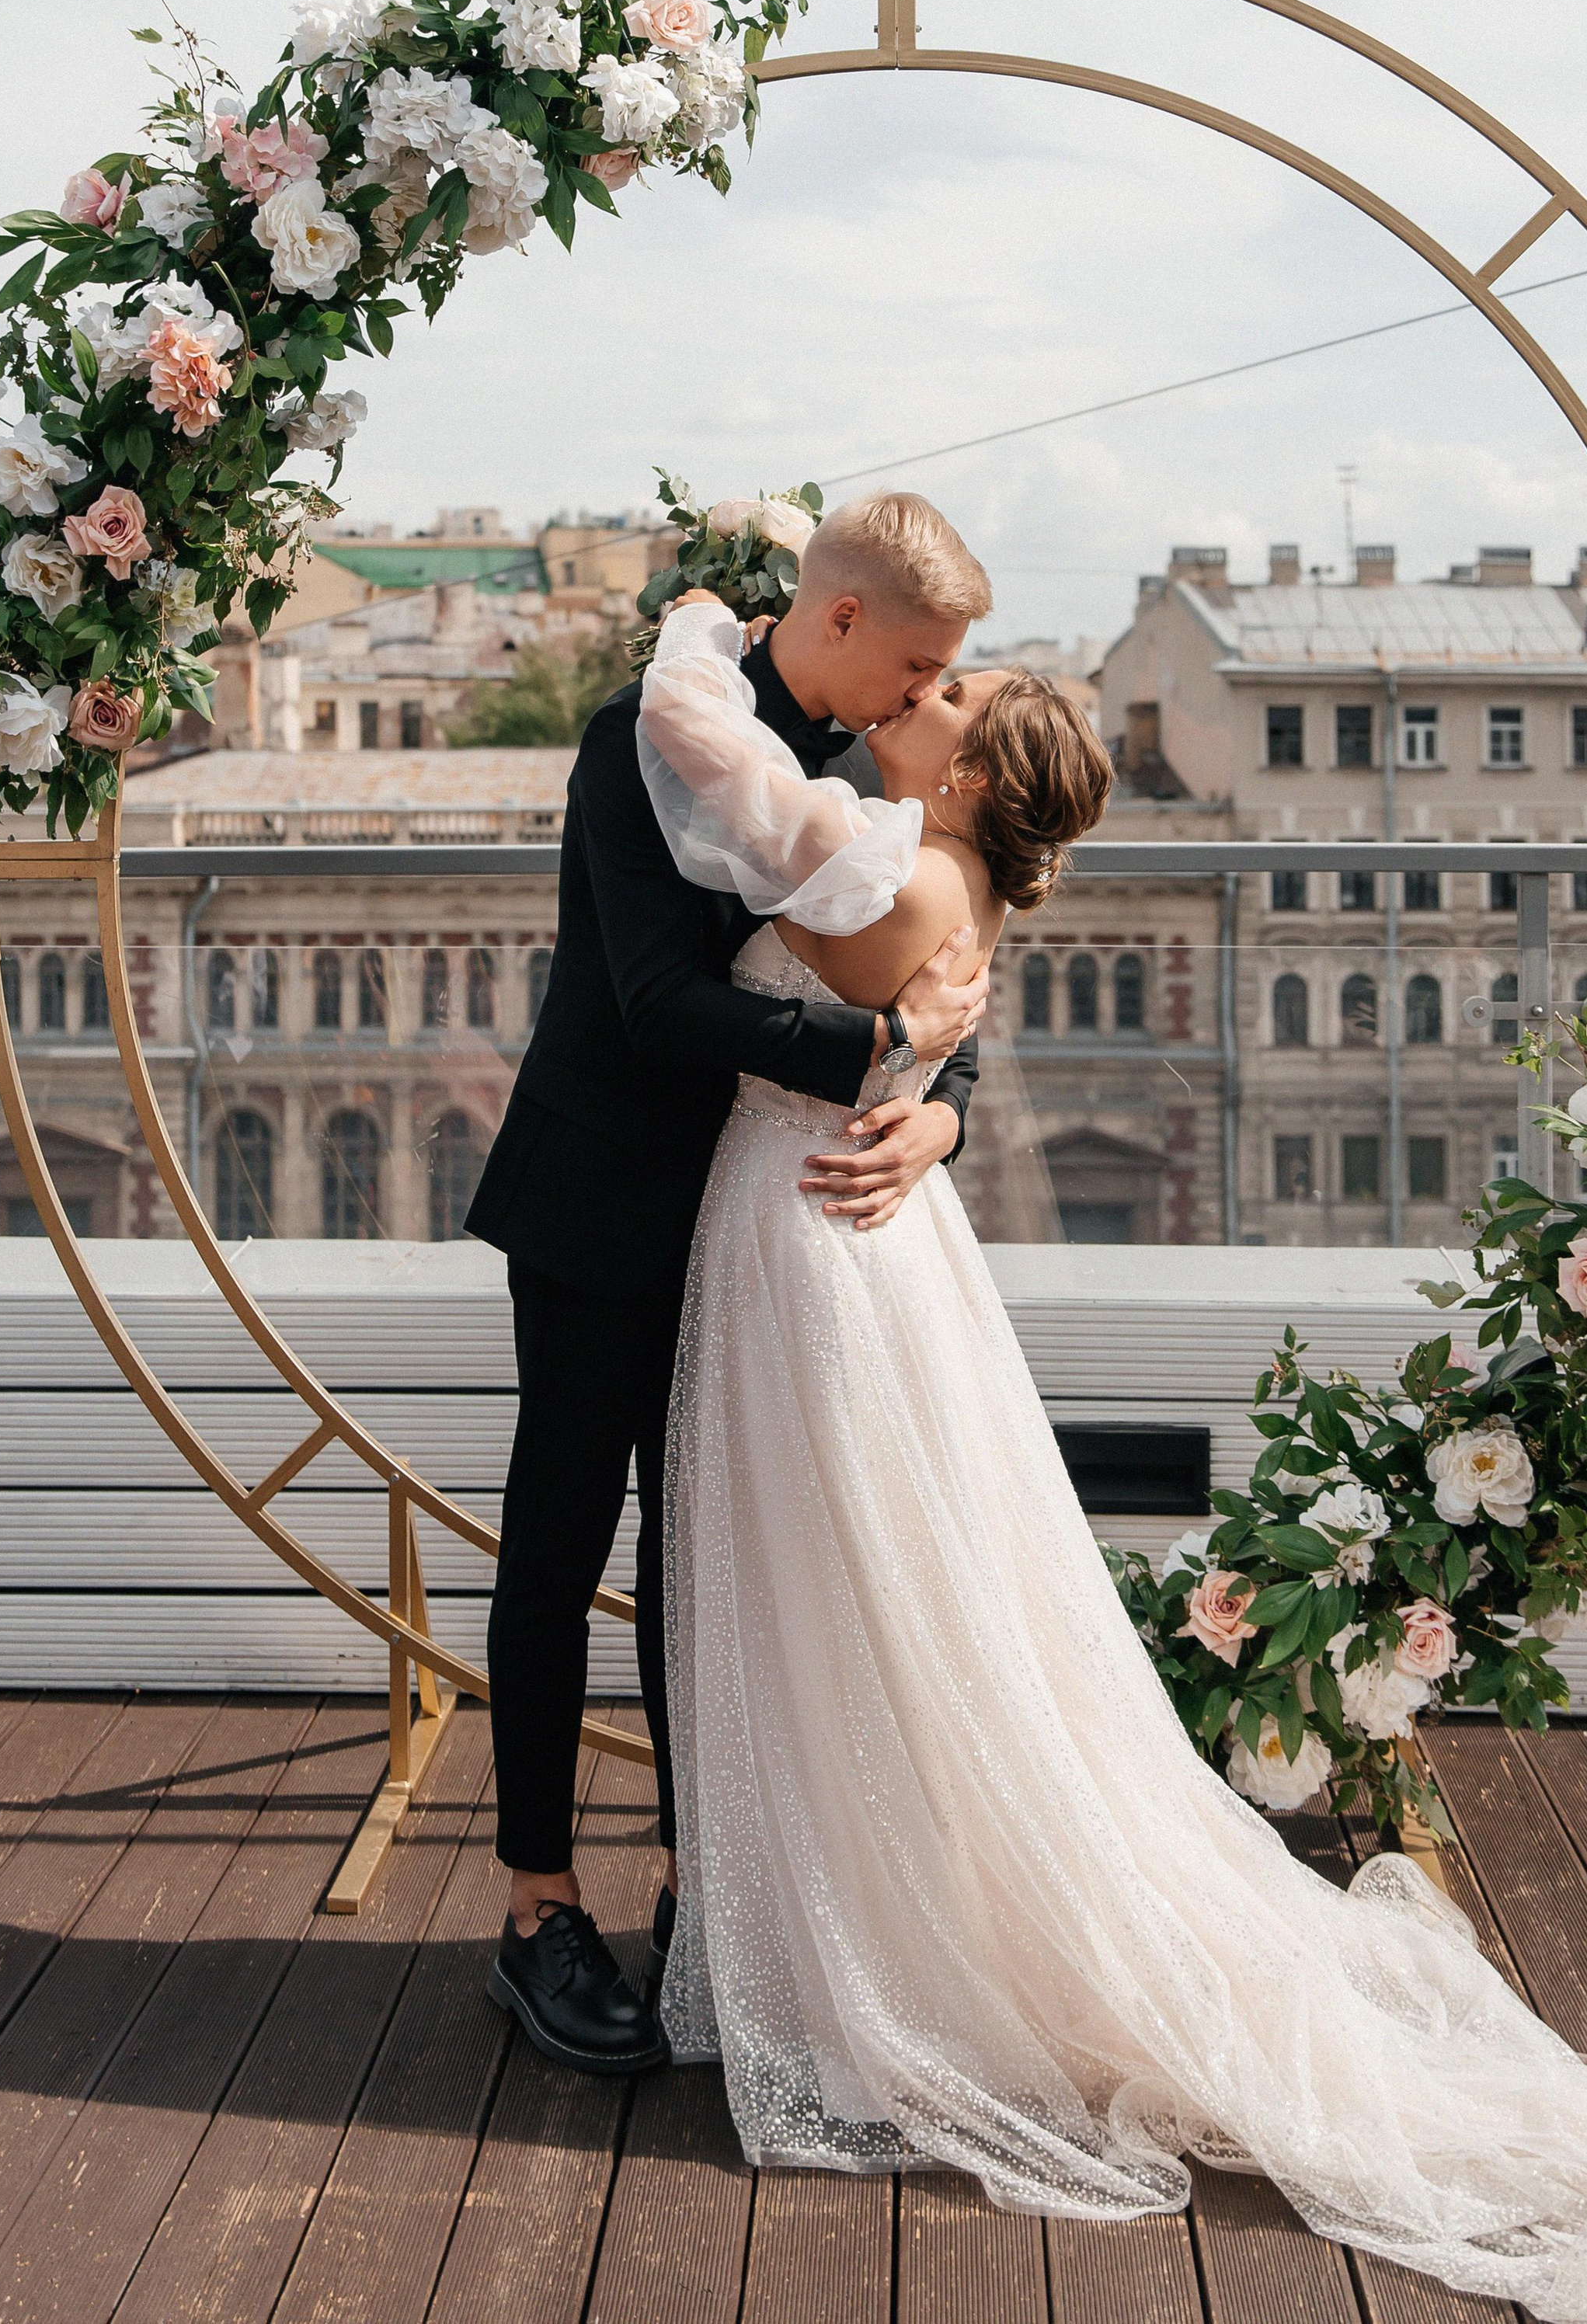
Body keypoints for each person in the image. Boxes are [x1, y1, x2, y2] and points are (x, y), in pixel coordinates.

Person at [634, 589, 1587, 2324]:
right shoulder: (932, 872)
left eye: (951, 693)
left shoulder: (899, 873)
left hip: (816, 1241)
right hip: (842, 1232)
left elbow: (729, 805)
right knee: (861, 1588)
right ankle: (862, 1913)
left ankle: (883, 1955)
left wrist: (697, 640)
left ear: (979, 771)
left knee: (848, 1586)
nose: (918, 700)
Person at [465, 492, 996, 2076]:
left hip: (756, 1225)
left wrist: (940, 1110)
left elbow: (943, 991)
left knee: (704, 1560)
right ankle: (534, 1909)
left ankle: (706, 1884)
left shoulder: (863, 772)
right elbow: (648, 1000)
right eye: (912, 665)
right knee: (559, 1545)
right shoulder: (642, 730)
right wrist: (874, 1058)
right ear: (832, 620)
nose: (922, 699)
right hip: (603, 1197)